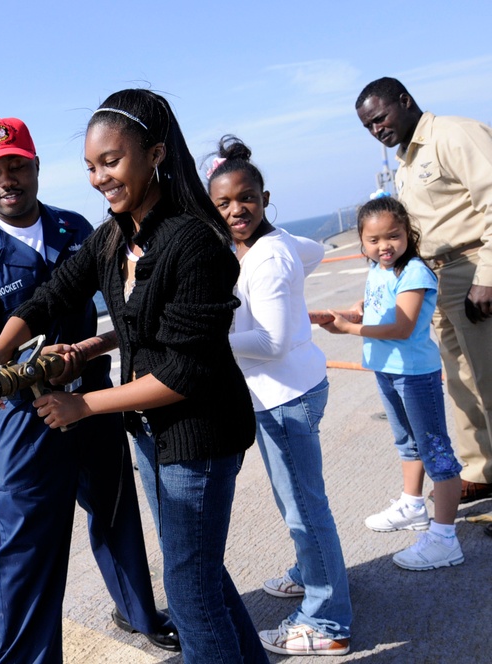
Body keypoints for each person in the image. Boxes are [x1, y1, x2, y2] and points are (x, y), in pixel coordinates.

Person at [0, 91, 267, 663]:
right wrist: (0, 352)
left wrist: (85, 406)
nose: (98, 178)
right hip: (155, 433)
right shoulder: (114, 235)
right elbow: (54, 292)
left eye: (111, 161)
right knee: (202, 575)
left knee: (189, 594)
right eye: (89, 166)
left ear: (154, 153)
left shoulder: (193, 242)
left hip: (198, 435)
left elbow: (184, 371)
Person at [0, 117, 179, 663]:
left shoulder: (77, 230)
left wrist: (89, 353)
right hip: (31, 422)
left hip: (95, 400)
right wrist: (29, 366)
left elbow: (126, 305)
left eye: (18, 166)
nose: (8, 179)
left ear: (36, 168)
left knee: (116, 513)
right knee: (26, 548)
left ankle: (138, 611)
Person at [206, 136, 353, 656]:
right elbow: (309, 254)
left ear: (265, 197)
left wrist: (207, 344)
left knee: (304, 509)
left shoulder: (266, 257)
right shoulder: (279, 244)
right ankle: (314, 572)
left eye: (245, 198)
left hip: (283, 398)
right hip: (299, 387)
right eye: (222, 203)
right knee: (302, 503)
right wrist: (291, 294)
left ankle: (327, 618)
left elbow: (269, 342)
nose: (235, 210)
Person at [355, 77, 492, 504]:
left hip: (472, 269)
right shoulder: (407, 161)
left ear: (405, 100)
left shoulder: (452, 134)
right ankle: (480, 470)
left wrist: (488, 274)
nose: (377, 129)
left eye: (380, 118)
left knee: (489, 380)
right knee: (462, 383)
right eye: (369, 126)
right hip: (438, 279)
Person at [324, 197, 464, 570]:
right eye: (374, 240)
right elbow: (379, 305)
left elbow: (402, 327)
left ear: (408, 234)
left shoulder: (413, 271)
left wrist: (349, 327)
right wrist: (357, 310)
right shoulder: (381, 271)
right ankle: (413, 505)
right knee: (407, 443)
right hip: (388, 370)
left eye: (393, 236)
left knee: (435, 451)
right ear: (362, 242)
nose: (384, 246)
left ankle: (445, 537)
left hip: (415, 374)